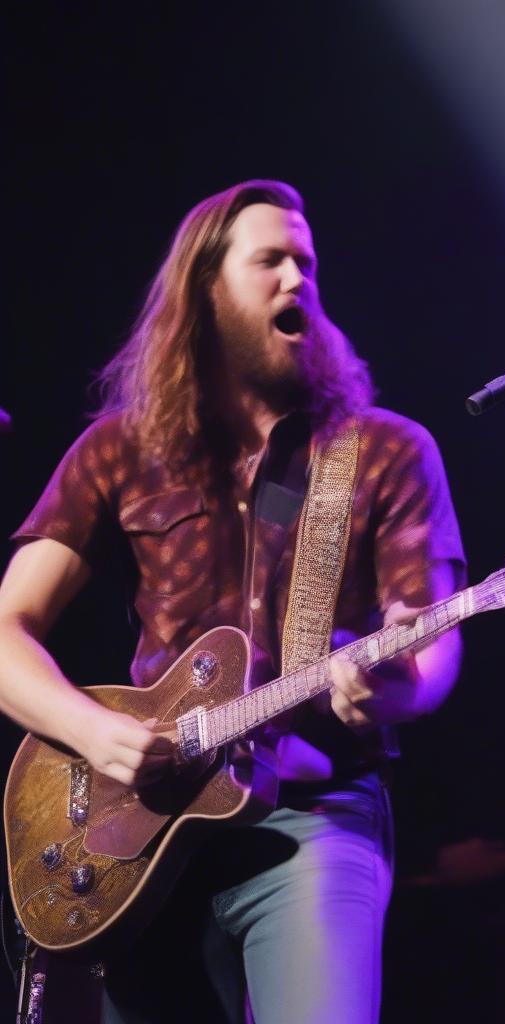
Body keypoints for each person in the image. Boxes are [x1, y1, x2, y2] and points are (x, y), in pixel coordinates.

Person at [0, 180, 465, 1023]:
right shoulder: (119, 451)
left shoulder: (387, 451)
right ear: (206, 289)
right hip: (141, 836)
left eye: (307, 263)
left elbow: (431, 647)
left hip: (315, 815)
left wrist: (398, 684)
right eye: (271, 262)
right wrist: (89, 730)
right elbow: (6, 632)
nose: (299, 280)